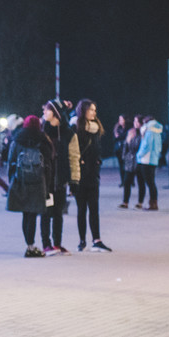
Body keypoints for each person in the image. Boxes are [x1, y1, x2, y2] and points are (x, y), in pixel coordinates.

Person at [7, 115, 54, 257]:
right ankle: (31, 247)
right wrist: (49, 183)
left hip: (22, 181)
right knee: (33, 214)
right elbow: (49, 164)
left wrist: (12, 180)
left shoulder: (17, 140)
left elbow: (11, 161)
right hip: (38, 182)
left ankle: (29, 244)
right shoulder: (43, 139)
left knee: (25, 214)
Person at [40, 100, 79, 255]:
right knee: (45, 212)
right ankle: (46, 244)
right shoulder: (42, 132)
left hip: (60, 179)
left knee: (58, 213)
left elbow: (74, 157)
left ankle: (57, 243)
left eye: (47, 110)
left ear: (55, 113)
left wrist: (74, 180)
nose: (44, 112)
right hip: (45, 180)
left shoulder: (68, 133)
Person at [73, 99, 112, 251]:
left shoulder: (96, 128)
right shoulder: (76, 128)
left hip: (93, 174)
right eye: (91, 110)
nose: (94, 113)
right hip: (81, 174)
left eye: (95, 110)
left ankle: (97, 239)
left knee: (94, 208)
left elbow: (97, 150)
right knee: (81, 209)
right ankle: (82, 240)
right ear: (83, 111)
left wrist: (97, 162)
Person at [135, 115, 163, 211]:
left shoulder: (149, 131)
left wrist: (139, 155)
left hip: (146, 160)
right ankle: (153, 203)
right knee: (151, 183)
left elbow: (146, 145)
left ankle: (153, 204)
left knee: (150, 183)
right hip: (153, 159)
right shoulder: (157, 131)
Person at [118, 115, 143, 209]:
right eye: (134, 122)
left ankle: (140, 202)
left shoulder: (143, 133)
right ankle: (125, 202)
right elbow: (125, 146)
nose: (135, 124)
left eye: (137, 122)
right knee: (127, 181)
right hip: (129, 161)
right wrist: (124, 156)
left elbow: (140, 147)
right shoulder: (131, 132)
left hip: (139, 161)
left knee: (141, 182)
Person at [113, 114, 127, 185]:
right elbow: (115, 138)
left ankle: (129, 181)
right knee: (121, 166)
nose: (120, 121)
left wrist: (120, 136)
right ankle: (123, 181)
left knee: (127, 166)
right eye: (119, 119)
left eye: (122, 119)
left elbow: (126, 137)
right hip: (119, 149)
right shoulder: (117, 127)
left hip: (126, 149)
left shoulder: (128, 128)